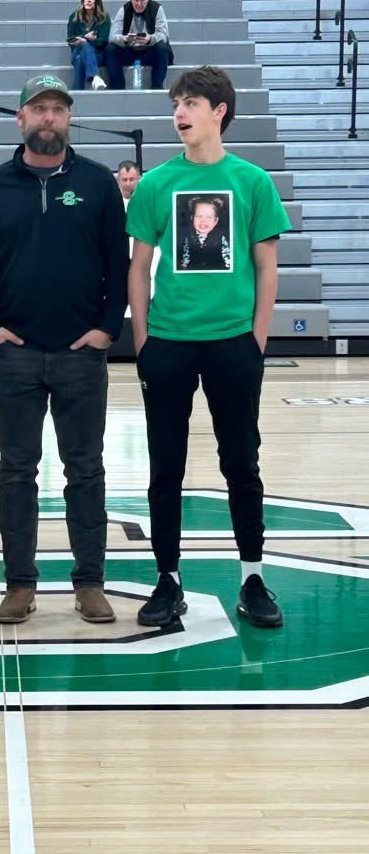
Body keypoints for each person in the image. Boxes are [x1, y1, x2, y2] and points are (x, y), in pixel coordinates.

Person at [126, 66, 292, 630]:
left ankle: (253, 576)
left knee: (241, 463)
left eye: (190, 102)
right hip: (169, 343)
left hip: (232, 344)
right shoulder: (154, 184)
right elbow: (139, 267)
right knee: (164, 467)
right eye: (176, 102)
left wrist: (257, 339)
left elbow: (268, 268)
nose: (179, 112)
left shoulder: (251, 181)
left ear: (218, 110)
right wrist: (145, 342)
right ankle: (167, 579)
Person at [0, 74, 129, 625]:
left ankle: (90, 582)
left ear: (69, 117)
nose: (49, 118)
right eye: (39, 109)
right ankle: (19, 583)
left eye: (58, 108)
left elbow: (118, 265)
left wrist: (108, 330)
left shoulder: (99, 183)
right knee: (15, 471)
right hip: (17, 354)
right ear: (21, 118)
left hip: (83, 353)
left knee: (85, 469)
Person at [105, 0, 173, 91]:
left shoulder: (157, 9)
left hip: (149, 51)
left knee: (162, 48)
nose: (139, 4)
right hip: (129, 51)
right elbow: (112, 37)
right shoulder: (123, 10)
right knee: (110, 49)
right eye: (136, 0)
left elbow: (164, 35)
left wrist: (150, 39)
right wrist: (125, 39)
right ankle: (118, 87)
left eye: (142, 0)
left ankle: (157, 86)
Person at [67, 0, 110, 92]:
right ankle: (95, 77)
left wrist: (90, 41)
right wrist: (86, 38)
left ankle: (77, 93)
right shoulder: (74, 16)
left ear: (97, 2)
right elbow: (70, 39)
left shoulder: (104, 18)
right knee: (84, 46)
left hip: (97, 55)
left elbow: (103, 41)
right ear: (83, 0)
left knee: (79, 60)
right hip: (77, 51)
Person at [177, 194, 231, 271]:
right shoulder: (187, 236)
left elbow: (228, 260)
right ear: (192, 218)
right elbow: (185, 258)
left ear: (216, 221)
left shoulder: (221, 237)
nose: (203, 221)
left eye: (209, 217)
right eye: (199, 216)